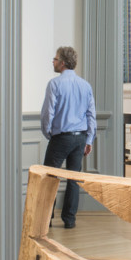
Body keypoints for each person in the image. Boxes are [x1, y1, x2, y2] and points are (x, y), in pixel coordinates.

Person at [40, 46, 96, 228]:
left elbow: (48, 113)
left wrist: (48, 133)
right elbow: (90, 115)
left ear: (63, 63)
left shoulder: (55, 84)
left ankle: (46, 219)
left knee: (50, 178)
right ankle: (69, 220)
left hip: (61, 137)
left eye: (55, 59)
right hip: (80, 138)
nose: (53, 62)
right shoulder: (85, 85)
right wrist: (89, 140)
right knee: (74, 179)